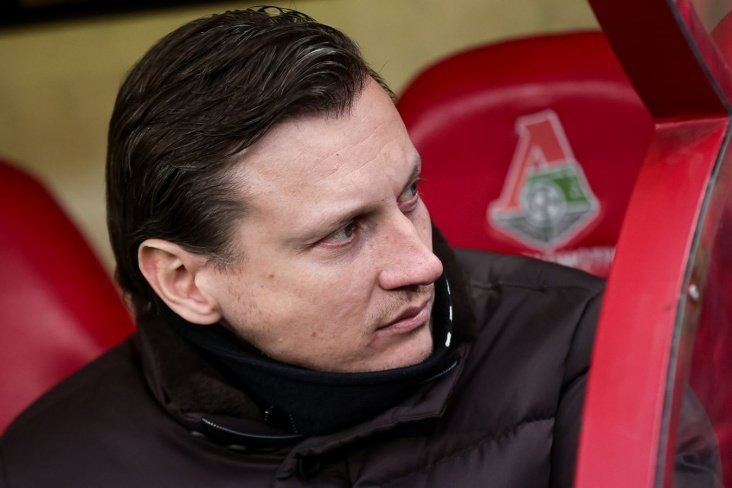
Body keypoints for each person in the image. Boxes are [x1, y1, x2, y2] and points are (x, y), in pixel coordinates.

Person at [0, 7, 603, 487]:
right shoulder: (46, 469)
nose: (424, 264)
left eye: (409, 194)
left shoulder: (581, 346)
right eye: (342, 232)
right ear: (184, 281)